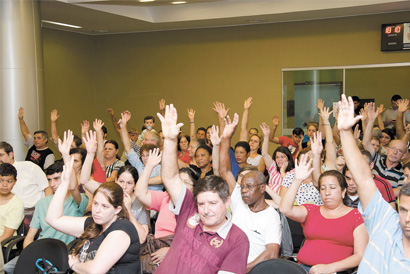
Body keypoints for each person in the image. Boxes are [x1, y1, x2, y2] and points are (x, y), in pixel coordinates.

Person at [155, 104, 249, 274]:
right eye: (201, 203)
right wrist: (169, 141)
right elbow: (170, 178)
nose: (206, 210)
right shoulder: (189, 210)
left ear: (227, 201)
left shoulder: (237, 239)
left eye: (213, 203)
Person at [338, 94, 410, 273]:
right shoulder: (387, 222)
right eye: (403, 210)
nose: (407, 219)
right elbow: (362, 178)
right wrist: (346, 132)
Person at [46, 157, 141, 273]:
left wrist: (74, 265)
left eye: (105, 206)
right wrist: (64, 183)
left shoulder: (122, 229)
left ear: (117, 210)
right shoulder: (94, 223)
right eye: (95, 204)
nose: (97, 210)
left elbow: (95, 271)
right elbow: (52, 219)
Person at [280, 153, 368, 274]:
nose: (327, 192)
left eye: (332, 188)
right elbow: (285, 209)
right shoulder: (311, 210)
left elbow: (360, 255)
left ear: (343, 191)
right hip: (303, 269)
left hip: (336, 271)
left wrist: (331, 267)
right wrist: (297, 180)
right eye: (322, 188)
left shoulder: (355, 215)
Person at [219, 113, 281, 273]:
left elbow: (272, 252)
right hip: (227, 265)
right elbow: (224, 171)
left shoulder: (271, 216)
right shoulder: (239, 199)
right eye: (243, 186)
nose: (244, 191)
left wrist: (242, 269)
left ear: (262, 188)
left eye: (249, 187)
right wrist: (226, 138)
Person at [4, 161, 89, 274]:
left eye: (56, 178)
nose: (52, 184)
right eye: (49, 180)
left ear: (66, 178)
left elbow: (73, 188)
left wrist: (66, 157)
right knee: (6, 269)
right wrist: (30, 253)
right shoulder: (42, 203)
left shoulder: (78, 200)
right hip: (40, 249)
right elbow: (29, 237)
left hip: (62, 252)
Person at [134, 148, 198, 271]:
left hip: (179, 252)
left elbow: (198, 242)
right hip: (156, 250)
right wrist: (150, 166)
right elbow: (140, 193)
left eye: (186, 182)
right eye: (178, 182)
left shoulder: (197, 207)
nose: (180, 187)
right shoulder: (165, 197)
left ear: (195, 188)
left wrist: (171, 250)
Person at [0, 141, 52, 232]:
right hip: (7, 215)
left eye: (0, 155)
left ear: (11, 154)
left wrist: (46, 211)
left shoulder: (29, 167)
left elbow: (47, 188)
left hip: (33, 214)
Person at [362, 102, 406, 196]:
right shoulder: (377, 160)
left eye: (399, 151)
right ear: (386, 149)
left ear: (403, 156)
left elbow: (400, 191)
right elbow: (366, 143)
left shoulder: (402, 173)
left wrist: (378, 192)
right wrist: (371, 121)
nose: (395, 152)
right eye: (393, 148)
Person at [119, 111, 163, 191]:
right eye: (143, 155)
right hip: (139, 199)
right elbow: (128, 146)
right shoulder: (139, 164)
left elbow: (164, 178)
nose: (142, 141)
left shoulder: (162, 161)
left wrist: (143, 181)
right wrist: (123, 126)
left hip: (156, 199)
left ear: (154, 142)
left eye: (145, 139)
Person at [260, 122, 295, 194]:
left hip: (283, 201)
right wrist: (266, 136)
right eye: (277, 157)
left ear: (288, 158)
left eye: (282, 157)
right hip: (269, 198)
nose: (280, 160)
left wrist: (282, 172)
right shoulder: (273, 168)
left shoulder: (293, 172)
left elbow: (290, 187)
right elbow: (264, 154)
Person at [0, 164, 24, 242]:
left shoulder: (17, 204)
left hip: (3, 246)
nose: (4, 185)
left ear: (15, 182)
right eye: (0, 181)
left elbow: (7, 235)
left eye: (9, 181)